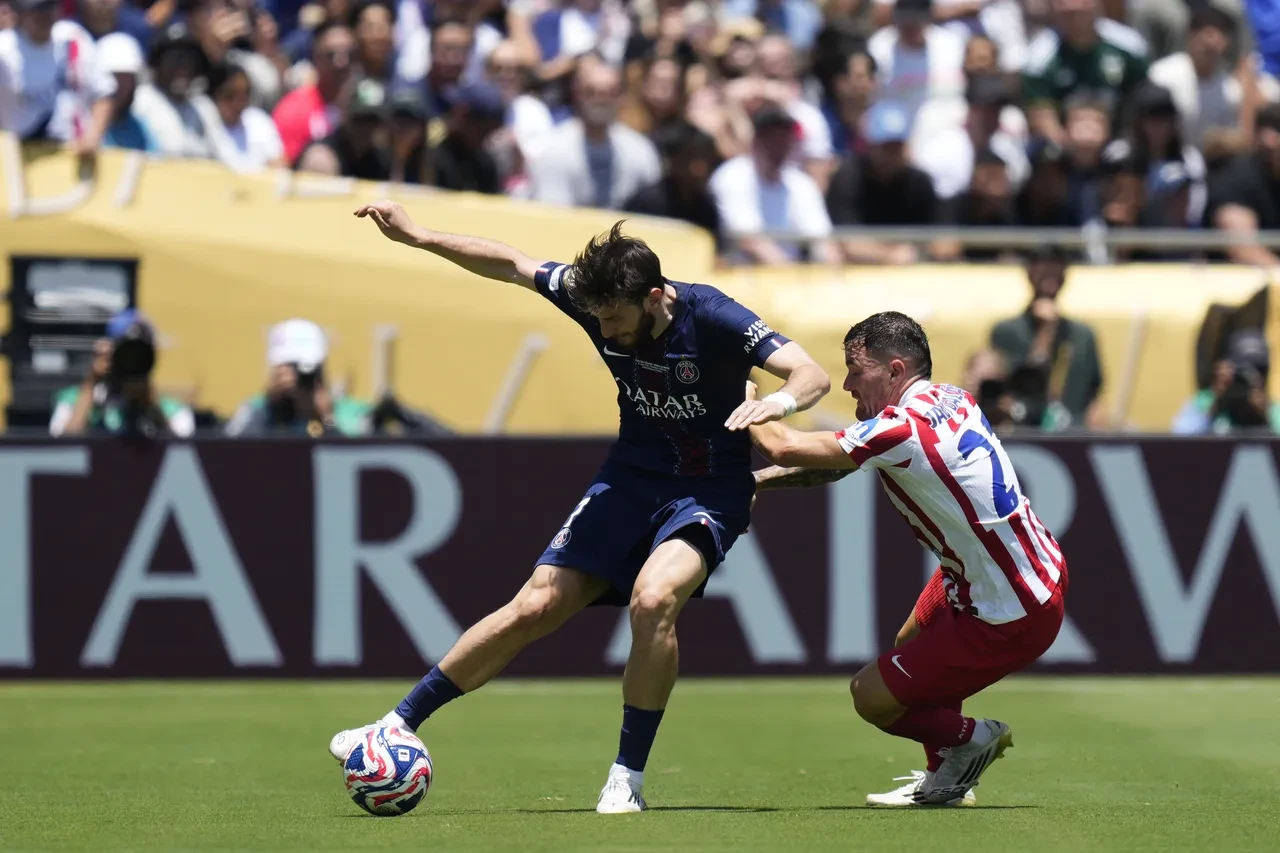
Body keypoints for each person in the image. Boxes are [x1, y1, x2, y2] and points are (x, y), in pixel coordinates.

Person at [334, 198, 831, 814]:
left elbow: (810, 373)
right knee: (535, 605)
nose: (605, 330)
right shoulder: (593, 295)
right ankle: (394, 725)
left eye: (616, 318)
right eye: (596, 316)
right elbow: (513, 264)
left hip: (708, 488)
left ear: (654, 296)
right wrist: (421, 237)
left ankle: (628, 776)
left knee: (653, 600)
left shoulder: (713, 314)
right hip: (628, 479)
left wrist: (777, 406)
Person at [745, 310, 1067, 807]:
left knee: (871, 695)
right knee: (911, 640)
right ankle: (948, 778)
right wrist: (758, 482)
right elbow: (841, 463)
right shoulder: (950, 397)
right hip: (1021, 567)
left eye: (857, 369)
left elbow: (780, 445)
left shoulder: (900, 429)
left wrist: (736, 387)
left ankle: (972, 738)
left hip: (1010, 608)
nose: (847, 384)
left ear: (895, 371)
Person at [710, 104, 838, 265]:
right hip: (741, 276)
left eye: (784, 138)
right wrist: (792, 277)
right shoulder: (733, 175)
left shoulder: (801, 183)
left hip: (792, 279)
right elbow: (749, 241)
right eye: (771, 138)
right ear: (756, 140)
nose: (778, 146)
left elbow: (822, 241)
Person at [990, 247, 1103, 430]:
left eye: (1057, 265)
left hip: (1073, 434)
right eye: (1043, 264)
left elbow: (1094, 394)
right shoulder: (1006, 332)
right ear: (1029, 272)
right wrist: (1046, 333)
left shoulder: (1083, 336)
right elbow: (1013, 390)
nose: (1050, 272)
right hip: (1022, 432)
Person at [49, 310, 195, 438]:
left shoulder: (174, 410)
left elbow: (182, 455)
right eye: (126, 353)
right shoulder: (73, 400)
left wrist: (151, 406)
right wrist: (91, 385)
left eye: (140, 354)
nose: (132, 359)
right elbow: (61, 451)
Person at [1022, 0, 1149, 145]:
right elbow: (1042, 116)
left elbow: (1142, 101)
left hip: (1123, 141)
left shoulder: (1129, 45)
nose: (1073, 6)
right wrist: (1075, 152)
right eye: (1064, 2)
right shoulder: (1039, 57)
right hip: (1066, 147)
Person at [224, 318, 371, 437]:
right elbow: (229, 451)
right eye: (290, 366)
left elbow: (352, 457)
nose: (299, 377)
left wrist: (326, 419)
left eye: (306, 369)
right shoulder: (255, 410)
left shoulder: (351, 413)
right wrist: (270, 407)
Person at [0, 0, 115, 150]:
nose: (45, 15)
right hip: (22, 155)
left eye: (49, 6)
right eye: (37, 10)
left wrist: (93, 137)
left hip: (75, 152)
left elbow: (103, 93)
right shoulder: (4, 49)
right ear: (20, 13)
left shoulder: (73, 37)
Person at [1172, 329, 1280, 433]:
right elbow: (1179, 438)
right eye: (1241, 369)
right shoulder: (1204, 402)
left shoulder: (1273, 409)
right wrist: (1215, 404)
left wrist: (1266, 413)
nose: (1250, 376)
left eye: (1259, 369)